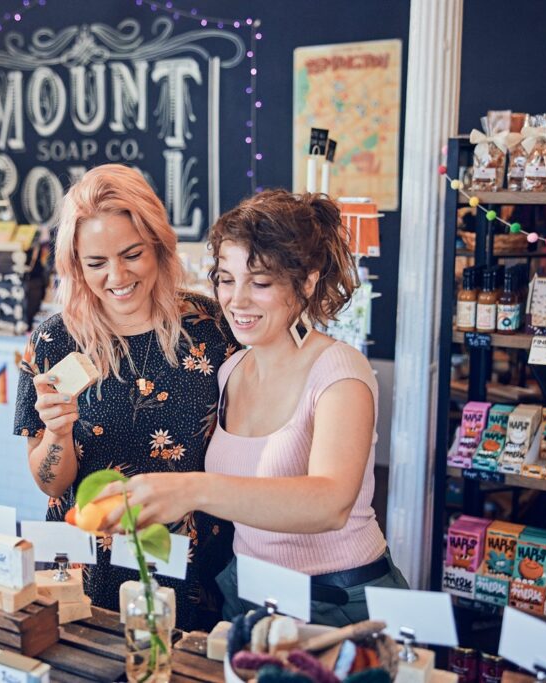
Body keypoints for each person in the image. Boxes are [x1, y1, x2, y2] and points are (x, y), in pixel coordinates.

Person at [100, 189, 407, 627]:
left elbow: (330, 503)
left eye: (260, 282)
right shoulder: (231, 369)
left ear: (307, 281)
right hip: (248, 595)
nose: (237, 300)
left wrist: (191, 490)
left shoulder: (339, 371)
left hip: (337, 603)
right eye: (226, 278)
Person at [14, 164, 237, 631]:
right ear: (76, 264)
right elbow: (51, 485)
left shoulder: (214, 329)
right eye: (95, 263)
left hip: (193, 564)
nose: (117, 276)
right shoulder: (55, 342)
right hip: (89, 566)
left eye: (132, 254)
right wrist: (58, 431)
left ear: (158, 243)